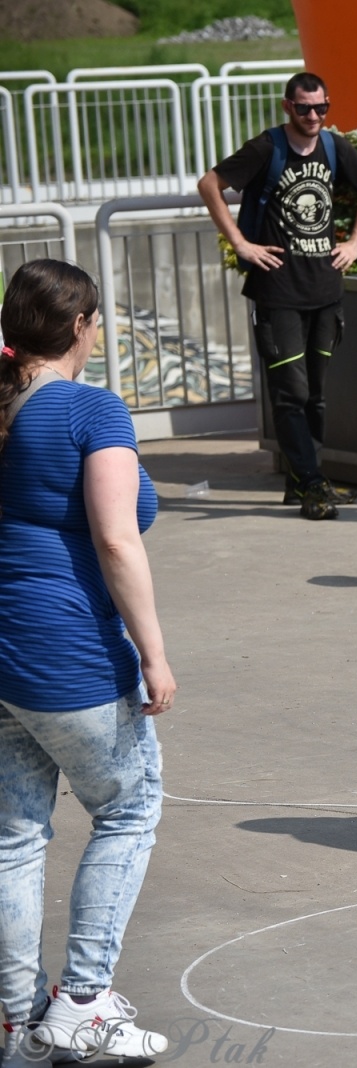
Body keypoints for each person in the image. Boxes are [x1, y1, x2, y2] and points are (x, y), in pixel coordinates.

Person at [0, 260, 174, 1062]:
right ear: (79, 327)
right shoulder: (90, 409)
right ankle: (82, 1001)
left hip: (6, 656)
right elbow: (116, 538)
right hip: (65, 652)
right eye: (96, 321)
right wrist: (154, 653)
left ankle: (18, 1020)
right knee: (129, 809)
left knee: (13, 838)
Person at [198, 71, 357, 521]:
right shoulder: (268, 147)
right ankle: (312, 484)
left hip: (325, 289)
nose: (314, 116)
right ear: (288, 107)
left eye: (322, 107)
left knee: (315, 394)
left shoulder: (334, 146)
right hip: (278, 291)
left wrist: (356, 241)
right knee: (290, 393)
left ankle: (304, 480)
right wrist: (241, 244)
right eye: (304, 108)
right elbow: (210, 184)